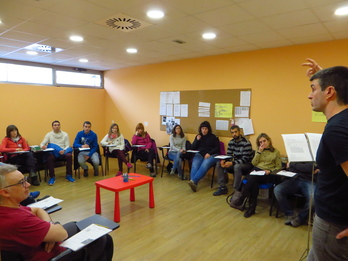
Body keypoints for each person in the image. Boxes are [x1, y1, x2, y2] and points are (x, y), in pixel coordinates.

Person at [0, 163, 114, 261]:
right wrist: (54, 233)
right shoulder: (19, 220)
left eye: (25, 180)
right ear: (5, 192)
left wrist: (50, 228)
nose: (28, 184)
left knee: (75, 224)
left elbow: (38, 209)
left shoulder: (8, 207)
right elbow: (61, 234)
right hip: (52, 256)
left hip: (34, 246)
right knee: (103, 239)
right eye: (21, 183)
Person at [302, 59, 348, 260]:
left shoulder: (336, 129)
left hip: (334, 223)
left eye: (313, 89)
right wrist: (326, 76)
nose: (309, 95)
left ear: (329, 92)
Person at [230, 133, 281, 218]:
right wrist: (259, 152)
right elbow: (254, 163)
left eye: (264, 141)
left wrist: (269, 170)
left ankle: (243, 199)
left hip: (268, 173)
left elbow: (278, 167)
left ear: (269, 141)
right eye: (260, 142)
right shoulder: (259, 150)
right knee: (254, 182)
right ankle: (251, 208)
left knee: (252, 179)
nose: (262, 143)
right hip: (257, 171)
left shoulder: (276, 152)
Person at [274, 162, 318, 227]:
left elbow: (310, 167)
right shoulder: (296, 154)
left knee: (313, 198)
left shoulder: (315, 154)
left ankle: (300, 218)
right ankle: (290, 214)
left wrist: (293, 165)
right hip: (295, 179)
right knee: (278, 190)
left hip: (310, 181)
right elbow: (291, 169)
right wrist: (306, 169)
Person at [213, 125, 253, 196]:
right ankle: (222, 187)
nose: (234, 134)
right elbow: (229, 155)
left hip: (246, 165)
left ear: (239, 132)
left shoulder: (246, 142)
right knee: (219, 164)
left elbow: (245, 159)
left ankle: (236, 190)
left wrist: (232, 163)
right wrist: (224, 161)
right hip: (235, 163)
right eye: (232, 132)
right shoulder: (231, 142)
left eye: (235, 132)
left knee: (237, 167)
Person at [188, 121, 220, 192]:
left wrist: (209, 153)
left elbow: (217, 148)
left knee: (204, 165)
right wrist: (197, 140)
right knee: (195, 165)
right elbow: (192, 147)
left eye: (206, 129)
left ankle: (193, 181)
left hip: (211, 155)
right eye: (202, 129)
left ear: (208, 129)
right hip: (200, 154)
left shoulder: (213, 137)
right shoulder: (198, 136)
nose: (204, 130)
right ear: (200, 129)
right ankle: (194, 184)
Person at [40, 121, 74, 185]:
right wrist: (43, 147)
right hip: (54, 152)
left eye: (58, 125)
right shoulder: (49, 134)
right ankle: (52, 177)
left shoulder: (65, 134)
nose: (57, 126)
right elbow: (42, 144)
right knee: (50, 157)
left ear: (60, 126)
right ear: (52, 127)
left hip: (63, 151)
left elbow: (67, 145)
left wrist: (63, 150)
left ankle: (68, 175)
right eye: (55, 125)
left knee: (69, 155)